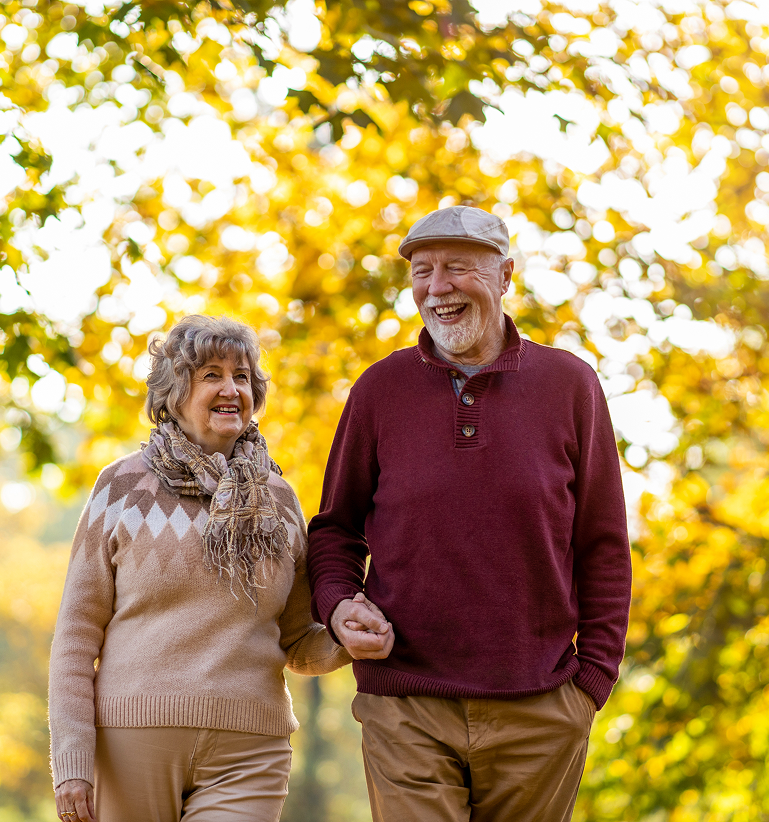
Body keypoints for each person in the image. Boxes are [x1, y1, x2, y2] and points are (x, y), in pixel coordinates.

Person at [308, 205, 632, 822]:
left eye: (458, 268)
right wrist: (339, 604)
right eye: (422, 272)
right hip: (405, 700)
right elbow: (335, 531)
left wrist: (592, 680)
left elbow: (604, 544)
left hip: (541, 705)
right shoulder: (380, 390)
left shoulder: (570, 385)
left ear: (506, 276)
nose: (437, 288)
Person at [49, 314, 351, 822]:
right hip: (131, 745)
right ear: (173, 391)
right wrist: (73, 762)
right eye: (211, 374)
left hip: (250, 750)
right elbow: (77, 637)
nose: (231, 388)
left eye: (242, 376)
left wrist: (348, 637)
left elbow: (298, 640)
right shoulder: (123, 487)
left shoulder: (277, 500)